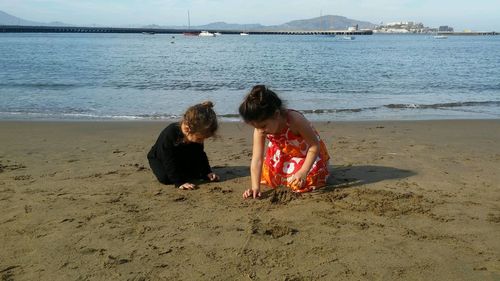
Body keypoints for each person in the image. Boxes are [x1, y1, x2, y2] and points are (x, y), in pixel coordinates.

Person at [239, 85, 330, 199]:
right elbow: (257, 159)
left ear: (276, 114)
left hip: (308, 155)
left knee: (305, 181)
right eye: (256, 127)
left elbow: (314, 146)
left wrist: (303, 171)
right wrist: (255, 187)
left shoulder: (295, 120)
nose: (261, 131)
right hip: (283, 154)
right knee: (270, 176)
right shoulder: (259, 128)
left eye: (263, 126)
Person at [147, 101, 219, 190]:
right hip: (160, 158)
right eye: (200, 139)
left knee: (196, 174)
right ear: (187, 128)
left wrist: (207, 172)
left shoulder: (196, 134)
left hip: (183, 156)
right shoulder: (170, 133)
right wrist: (179, 182)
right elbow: (168, 160)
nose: (202, 141)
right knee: (165, 179)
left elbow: (200, 154)